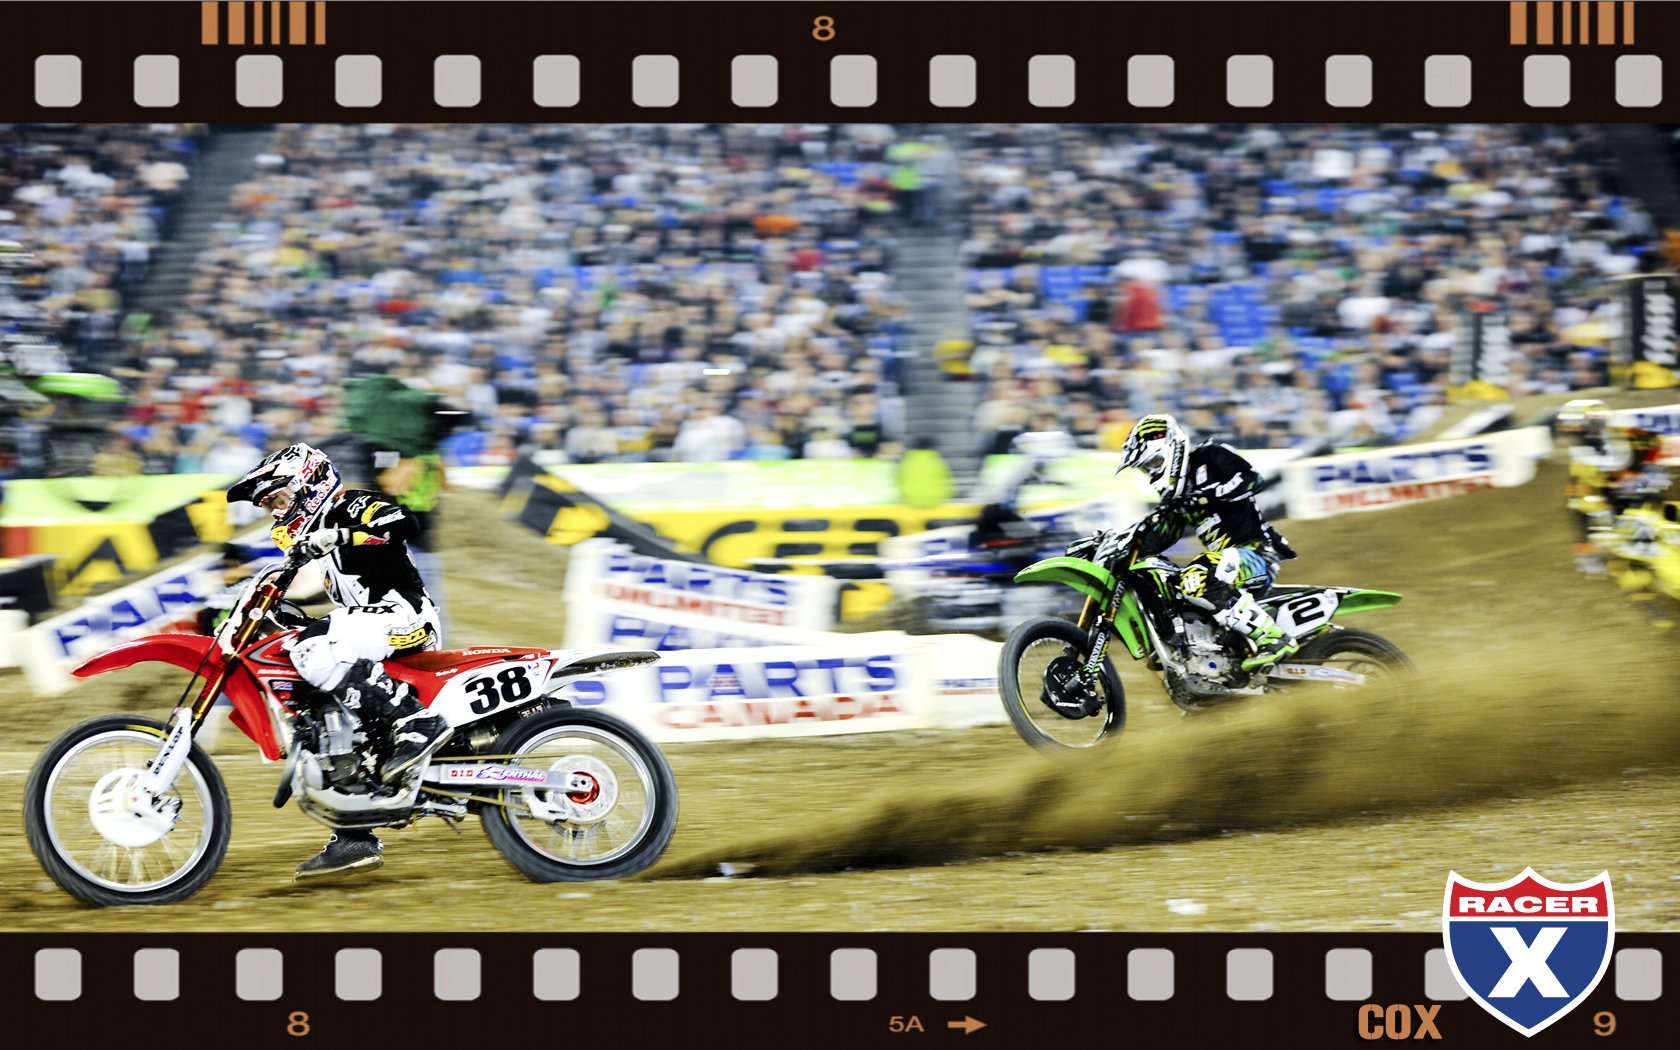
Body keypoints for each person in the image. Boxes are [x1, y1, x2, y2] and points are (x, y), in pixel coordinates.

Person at [227, 443, 451, 881]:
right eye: (268, 506)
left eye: (276, 500)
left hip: (409, 619)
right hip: (377, 627)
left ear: (306, 483)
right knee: (313, 707)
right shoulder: (317, 549)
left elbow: (405, 522)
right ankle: (356, 834)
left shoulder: (351, 506)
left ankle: (418, 722)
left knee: (312, 648)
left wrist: (342, 534)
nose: (274, 513)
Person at [1114, 414, 1300, 672]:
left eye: (1155, 463)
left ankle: (1273, 638)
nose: (1152, 473)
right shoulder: (1175, 499)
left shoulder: (1210, 457)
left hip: (1256, 554)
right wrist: (1122, 545)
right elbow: (1161, 537)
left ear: (1173, 449)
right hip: (1226, 565)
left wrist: (1205, 496)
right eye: (1147, 469)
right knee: (1168, 583)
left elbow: (1251, 480)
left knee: (1196, 576)